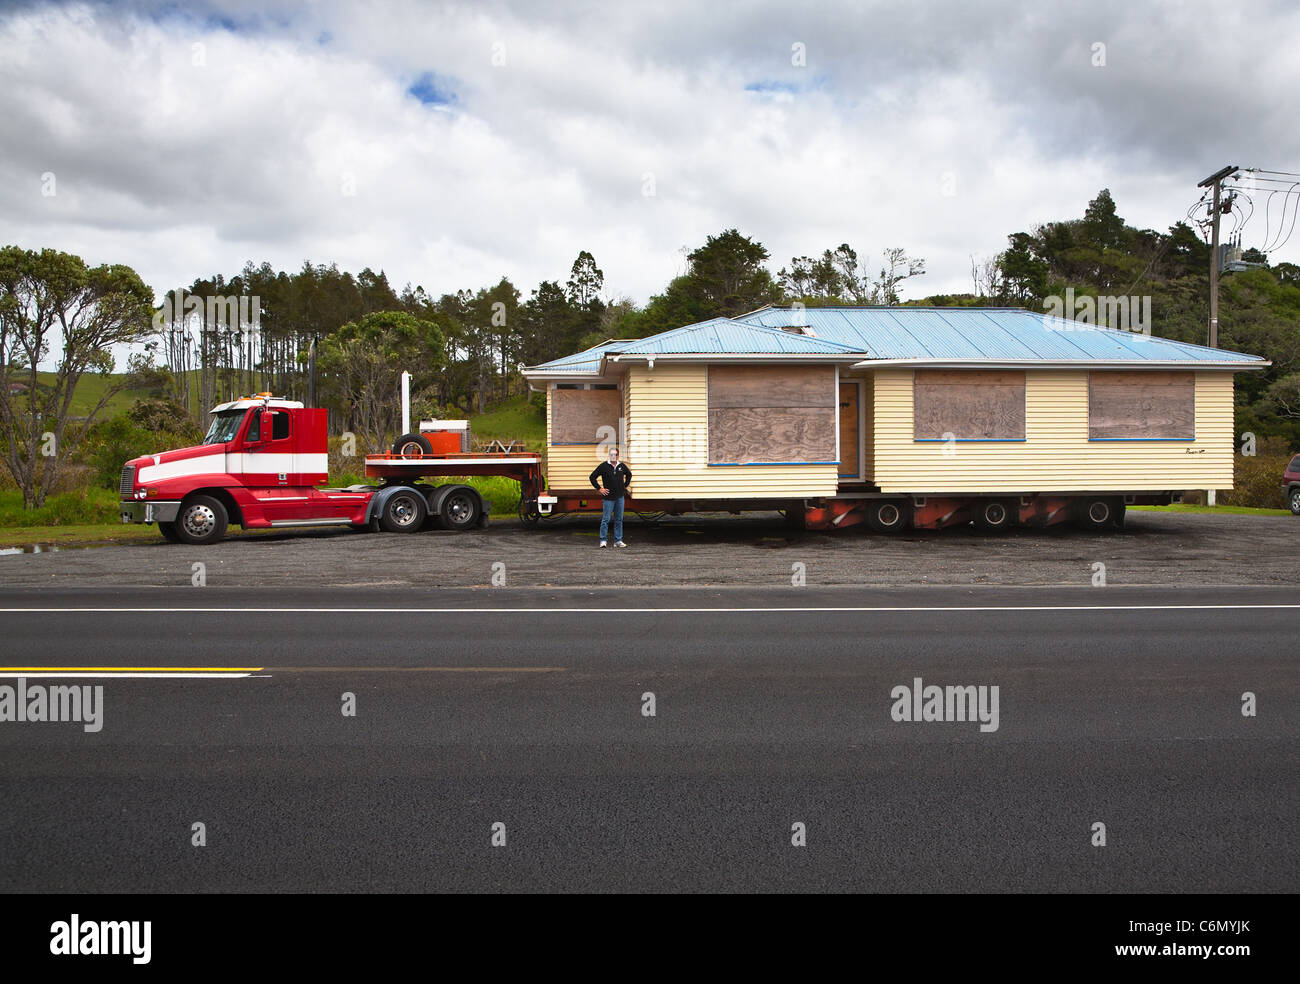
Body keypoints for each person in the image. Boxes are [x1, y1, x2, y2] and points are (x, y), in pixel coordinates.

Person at [589, 447, 632, 547]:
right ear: (609, 455)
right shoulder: (604, 466)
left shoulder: (621, 466)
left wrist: (624, 486)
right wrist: (600, 489)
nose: (613, 456)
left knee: (619, 519)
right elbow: (592, 477)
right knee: (606, 519)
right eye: (611, 454)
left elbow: (629, 474)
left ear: (618, 455)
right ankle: (603, 540)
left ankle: (618, 541)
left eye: (615, 454)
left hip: (620, 497)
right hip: (608, 498)